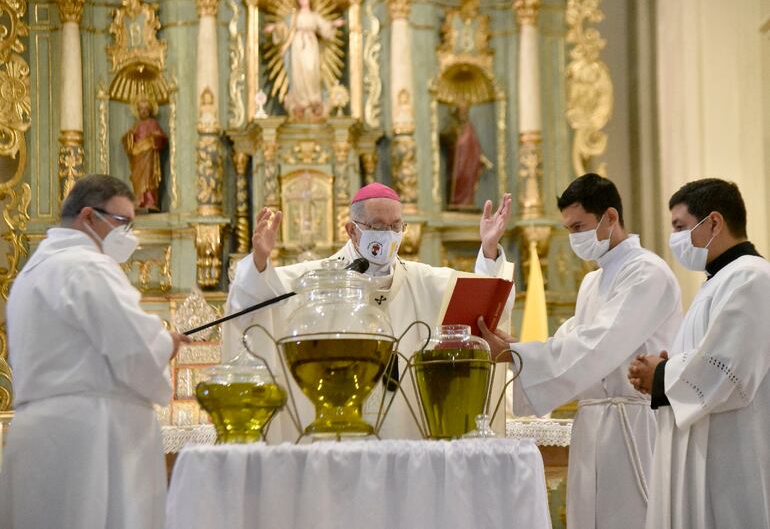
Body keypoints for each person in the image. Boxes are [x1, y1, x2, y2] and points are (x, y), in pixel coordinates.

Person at [226, 182, 515, 441]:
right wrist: (260, 263)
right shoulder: (320, 278)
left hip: (406, 432)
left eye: (396, 227)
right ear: (352, 230)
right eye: (377, 226)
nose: (388, 235)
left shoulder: (422, 280)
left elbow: (482, 298)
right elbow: (256, 303)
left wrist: (489, 251)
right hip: (336, 438)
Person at [478, 173, 682, 529]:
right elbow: (569, 337)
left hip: (632, 426)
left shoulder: (648, 273)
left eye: (579, 226)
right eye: (569, 230)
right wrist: (517, 347)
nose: (574, 238)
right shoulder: (593, 282)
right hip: (593, 428)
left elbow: (601, 343)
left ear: (611, 217)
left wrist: (518, 355)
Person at [0, 175, 190, 528]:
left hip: (38, 431)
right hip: (89, 435)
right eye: (121, 222)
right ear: (88, 216)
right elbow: (133, 349)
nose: (127, 235)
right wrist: (167, 343)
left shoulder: (29, 274)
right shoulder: (87, 265)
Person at [628, 179, 770, 529]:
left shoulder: (751, 278)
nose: (674, 237)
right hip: (706, 446)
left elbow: (728, 371)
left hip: (731, 456)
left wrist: (661, 375)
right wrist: (667, 365)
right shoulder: (718, 281)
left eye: (680, 226)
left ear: (714, 222)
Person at [265, 0, 344, 119]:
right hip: (297, 46)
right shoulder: (294, 16)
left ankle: (314, 99)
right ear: (298, 1)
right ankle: (300, 101)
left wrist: (334, 24)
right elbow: (283, 26)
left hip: (311, 45)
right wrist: (274, 28)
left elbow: (324, 26)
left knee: (311, 69)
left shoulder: (314, 16)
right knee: (298, 72)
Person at [122, 93, 167, 211]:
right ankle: (140, 199)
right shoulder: (135, 125)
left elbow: (161, 138)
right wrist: (129, 137)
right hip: (137, 156)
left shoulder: (153, 123)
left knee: (149, 178)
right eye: (141, 109)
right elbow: (129, 142)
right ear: (137, 110)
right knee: (138, 178)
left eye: (146, 109)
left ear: (150, 110)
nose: (143, 111)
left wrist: (153, 140)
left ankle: (150, 201)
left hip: (149, 155)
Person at [445, 101, 492, 208]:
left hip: (470, 163)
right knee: (457, 180)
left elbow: (475, 145)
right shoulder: (453, 125)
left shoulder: (470, 127)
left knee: (468, 181)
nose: (464, 113)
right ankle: (456, 202)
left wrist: (483, 159)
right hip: (458, 162)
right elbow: (444, 137)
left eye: (466, 111)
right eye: (462, 111)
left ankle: (467, 202)